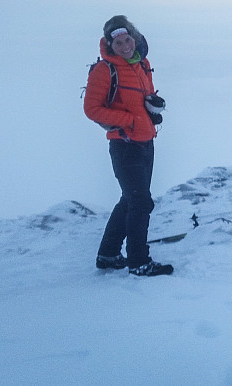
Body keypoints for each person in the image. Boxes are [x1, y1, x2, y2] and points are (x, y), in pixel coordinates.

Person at [84, 15, 173, 277]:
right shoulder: (104, 70)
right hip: (124, 144)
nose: (125, 46)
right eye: (118, 42)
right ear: (110, 45)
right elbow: (91, 109)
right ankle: (138, 261)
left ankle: (108, 254)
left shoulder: (142, 64)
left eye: (128, 39)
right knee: (141, 202)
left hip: (146, 140)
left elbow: (143, 96)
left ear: (134, 37)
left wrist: (153, 107)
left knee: (131, 199)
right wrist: (131, 121)